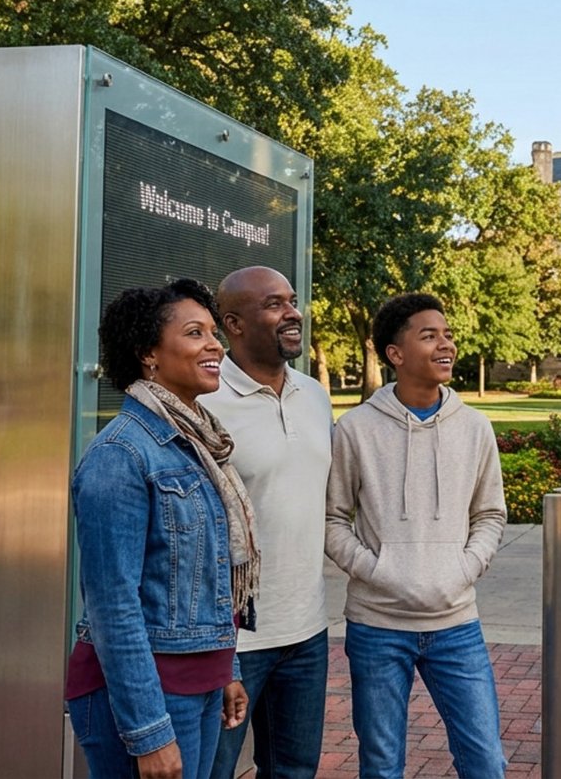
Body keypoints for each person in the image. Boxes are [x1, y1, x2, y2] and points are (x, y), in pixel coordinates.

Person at [66, 279, 256, 779]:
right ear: (148, 353)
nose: (215, 345)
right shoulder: (120, 456)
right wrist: (149, 732)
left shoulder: (197, 444)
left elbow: (207, 579)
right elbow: (112, 605)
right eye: (196, 333)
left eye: (214, 332)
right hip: (145, 697)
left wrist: (225, 671)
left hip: (200, 684)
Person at [326, 293, 508, 778]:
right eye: (429, 336)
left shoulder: (474, 428)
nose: (445, 344)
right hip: (377, 626)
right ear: (395, 354)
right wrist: (380, 572)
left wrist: (462, 570)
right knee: (382, 766)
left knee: (486, 761)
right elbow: (333, 519)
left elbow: (490, 514)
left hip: (456, 625)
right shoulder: (356, 430)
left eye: (446, 334)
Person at [203, 267, 333, 779]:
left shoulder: (314, 395)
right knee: (211, 770)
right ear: (233, 323)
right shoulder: (206, 401)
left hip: (307, 629)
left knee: (294, 771)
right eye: (274, 304)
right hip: (233, 640)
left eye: (292, 301)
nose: (292, 312)